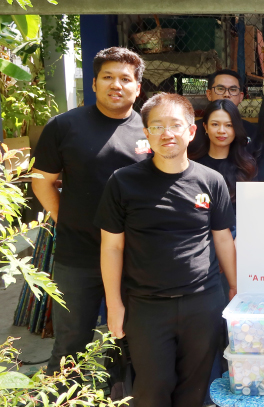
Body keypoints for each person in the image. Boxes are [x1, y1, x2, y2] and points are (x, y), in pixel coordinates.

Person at [96, 93, 237, 407]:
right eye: (157, 126)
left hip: (202, 302)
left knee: (193, 388)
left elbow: (222, 238)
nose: (166, 133)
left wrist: (235, 287)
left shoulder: (211, 181)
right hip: (146, 306)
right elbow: (112, 247)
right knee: (151, 389)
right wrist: (114, 305)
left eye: (175, 125)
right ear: (146, 133)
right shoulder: (123, 182)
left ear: (191, 131)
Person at [31, 47, 151, 375]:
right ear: (95, 83)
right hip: (78, 256)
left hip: (134, 256)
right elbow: (42, 182)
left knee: (129, 341)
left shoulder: (149, 129)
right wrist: (66, 219)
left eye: (125, 79)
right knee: (70, 343)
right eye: (108, 77)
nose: (116, 84)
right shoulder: (64, 126)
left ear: (137, 88)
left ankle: (120, 405)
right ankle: (61, 405)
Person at [189, 98, 256, 407]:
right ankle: (207, 391)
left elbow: (254, 210)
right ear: (204, 128)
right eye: (215, 124)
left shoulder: (247, 164)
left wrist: (238, 242)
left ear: (236, 129)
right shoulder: (192, 162)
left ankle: (241, 384)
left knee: (237, 322)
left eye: (228, 125)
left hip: (241, 244)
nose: (221, 130)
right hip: (202, 246)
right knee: (208, 323)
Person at [189, 69, 258, 155]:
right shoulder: (191, 132)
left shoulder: (253, 132)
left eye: (233, 89)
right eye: (220, 89)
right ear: (209, 94)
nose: (227, 94)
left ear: (241, 97)